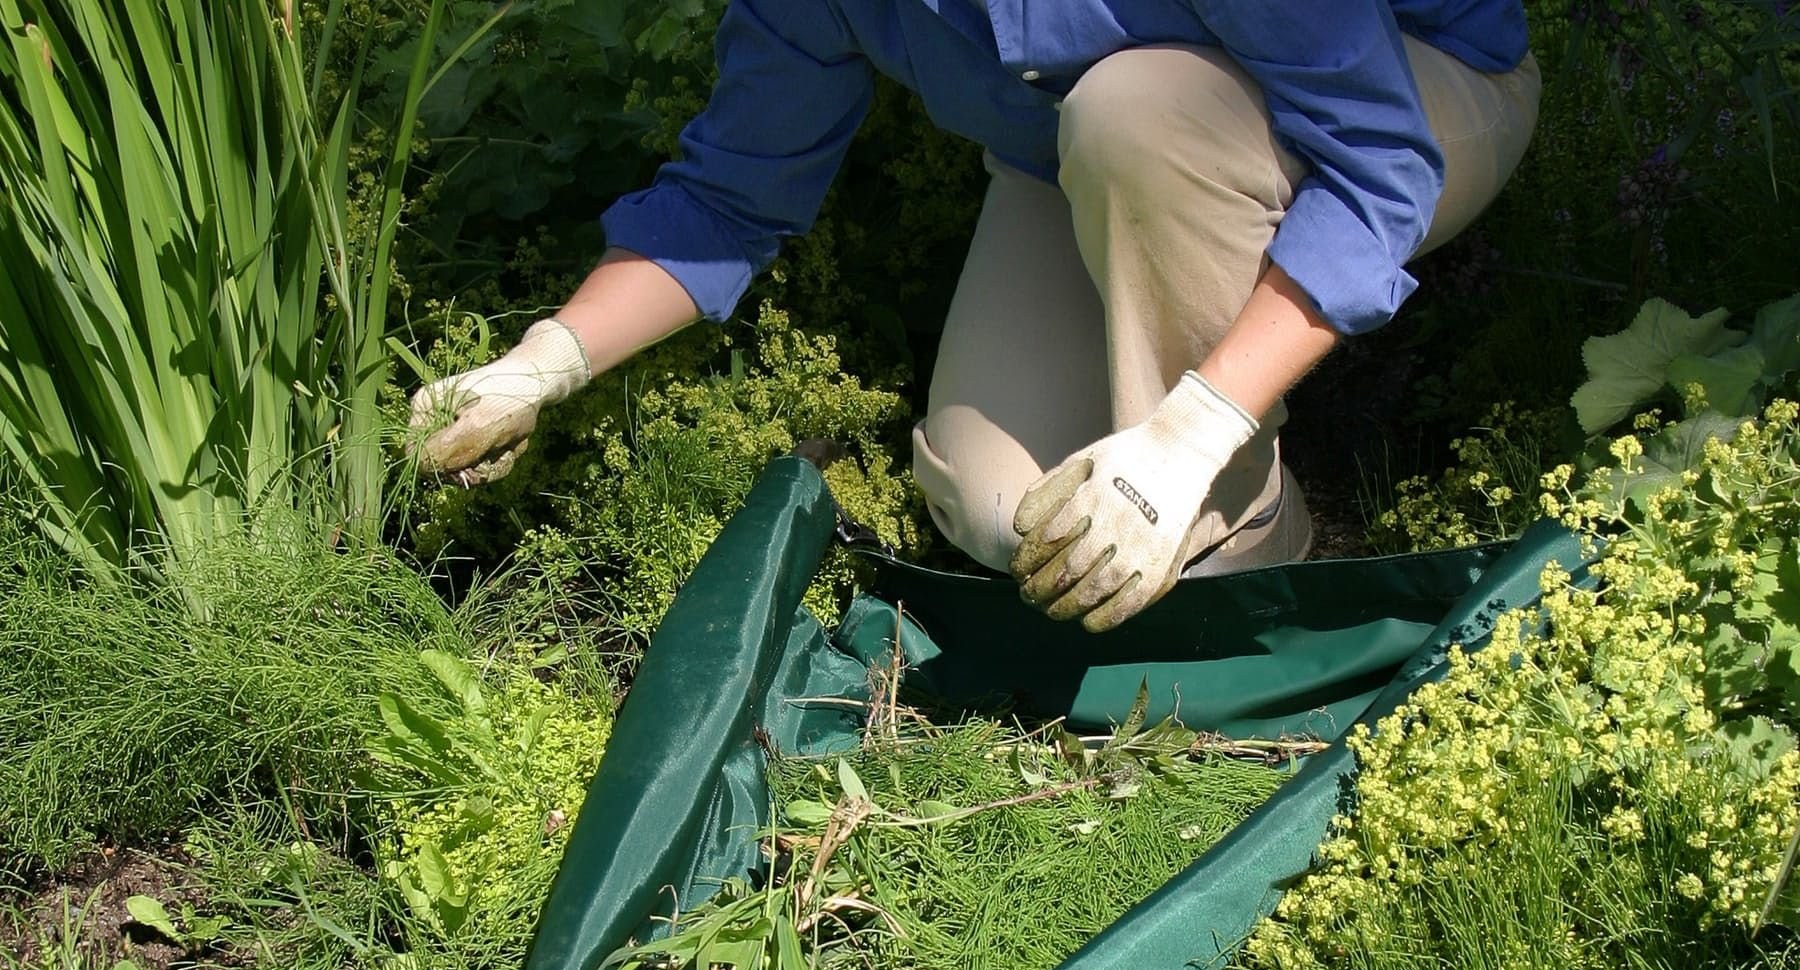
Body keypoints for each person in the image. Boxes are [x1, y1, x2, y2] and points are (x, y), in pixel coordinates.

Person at [411, 3, 1540, 632]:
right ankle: (1166, 490)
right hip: (1085, 154)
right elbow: (727, 199)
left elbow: (1380, 168)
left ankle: (1235, 537)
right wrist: (544, 363)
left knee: (1138, 117)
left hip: (1412, 96)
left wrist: (1191, 433)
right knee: (1005, 515)